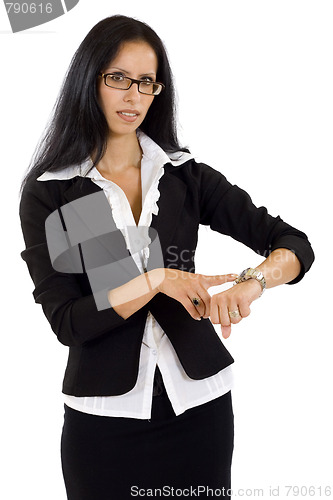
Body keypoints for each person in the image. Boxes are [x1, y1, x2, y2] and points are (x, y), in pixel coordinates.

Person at [19, 15, 314, 500]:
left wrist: (252, 284)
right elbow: (69, 322)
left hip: (200, 409)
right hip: (103, 421)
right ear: (88, 79)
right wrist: (154, 279)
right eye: (118, 78)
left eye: (147, 82)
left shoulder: (183, 175)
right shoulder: (55, 192)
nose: (133, 95)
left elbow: (293, 244)